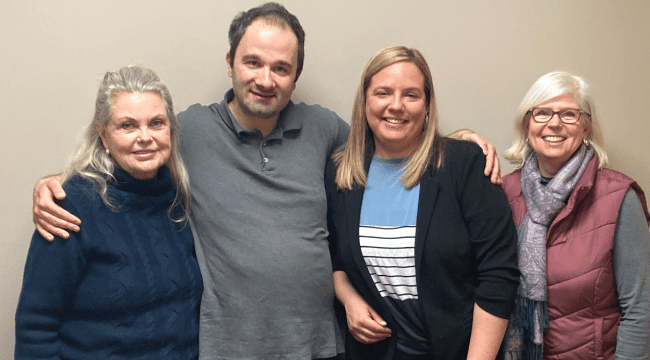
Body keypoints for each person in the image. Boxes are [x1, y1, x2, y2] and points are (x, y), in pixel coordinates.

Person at [30, 4, 502, 359]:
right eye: (253, 62)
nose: (265, 78)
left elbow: (387, 136)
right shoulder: (188, 130)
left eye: (281, 68)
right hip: (226, 348)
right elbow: (134, 144)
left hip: (321, 344)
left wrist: (457, 142)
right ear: (230, 61)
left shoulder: (325, 129)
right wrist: (56, 183)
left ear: (296, 76)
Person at [325, 46, 520, 360]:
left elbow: (499, 274)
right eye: (383, 93)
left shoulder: (465, 164)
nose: (396, 105)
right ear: (365, 101)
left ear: (427, 104)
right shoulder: (341, 174)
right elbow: (333, 259)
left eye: (411, 95)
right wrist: (349, 300)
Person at [15, 66, 203, 359]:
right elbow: (36, 327)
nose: (145, 136)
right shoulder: (70, 205)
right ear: (103, 135)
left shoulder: (178, 198)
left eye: (156, 123)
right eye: (127, 125)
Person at [499, 71, 650, 359]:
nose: (554, 123)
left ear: (585, 129)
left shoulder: (619, 197)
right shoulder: (503, 193)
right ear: (527, 124)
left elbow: (640, 309)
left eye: (569, 114)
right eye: (542, 113)